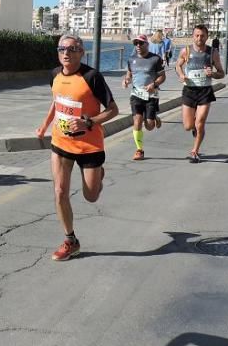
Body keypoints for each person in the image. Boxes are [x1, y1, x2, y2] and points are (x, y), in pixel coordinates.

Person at [36, 34, 118, 261]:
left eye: (72, 49)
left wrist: (89, 121)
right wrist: (45, 125)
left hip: (89, 145)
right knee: (60, 191)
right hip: (61, 142)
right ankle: (70, 240)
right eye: (62, 48)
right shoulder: (54, 74)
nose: (66, 53)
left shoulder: (92, 77)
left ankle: (98, 174)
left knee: (91, 196)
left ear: (81, 52)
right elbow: (57, 100)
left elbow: (113, 109)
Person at [176, 24, 225, 163]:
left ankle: (194, 151)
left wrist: (213, 74)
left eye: (202, 36)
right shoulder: (185, 51)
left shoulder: (212, 53)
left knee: (200, 123)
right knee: (188, 126)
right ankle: (194, 128)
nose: (199, 38)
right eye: (197, 35)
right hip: (189, 90)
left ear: (207, 37)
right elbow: (178, 65)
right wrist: (181, 75)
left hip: (205, 91)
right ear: (193, 36)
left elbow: (222, 73)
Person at [122, 34, 165, 160]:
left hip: (151, 95)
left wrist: (154, 84)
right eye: (136, 43)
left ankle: (153, 117)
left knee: (149, 126)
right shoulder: (131, 59)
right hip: (136, 94)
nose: (138, 46)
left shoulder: (155, 59)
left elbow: (162, 76)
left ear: (147, 44)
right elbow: (129, 74)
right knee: (137, 121)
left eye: (141, 43)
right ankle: (139, 150)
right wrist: (126, 80)